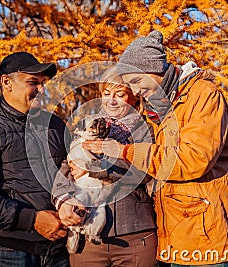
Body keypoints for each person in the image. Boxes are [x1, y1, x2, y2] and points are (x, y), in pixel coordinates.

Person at [83, 31, 228, 266]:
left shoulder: (203, 96)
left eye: (135, 81)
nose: (134, 91)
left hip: (201, 233)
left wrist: (125, 152)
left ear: (153, 69)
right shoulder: (158, 106)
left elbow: (192, 159)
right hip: (170, 231)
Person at [0, 52, 83, 267]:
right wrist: (32, 220)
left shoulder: (57, 126)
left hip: (61, 253)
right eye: (33, 82)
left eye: (43, 83)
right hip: (12, 255)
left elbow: (74, 176)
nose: (42, 90)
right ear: (7, 82)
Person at [53, 66, 158, 267]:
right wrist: (62, 200)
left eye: (120, 94)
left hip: (134, 234)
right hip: (88, 235)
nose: (112, 100)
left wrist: (94, 167)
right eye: (106, 93)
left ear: (133, 97)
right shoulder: (87, 124)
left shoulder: (145, 130)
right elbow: (67, 164)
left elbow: (143, 170)